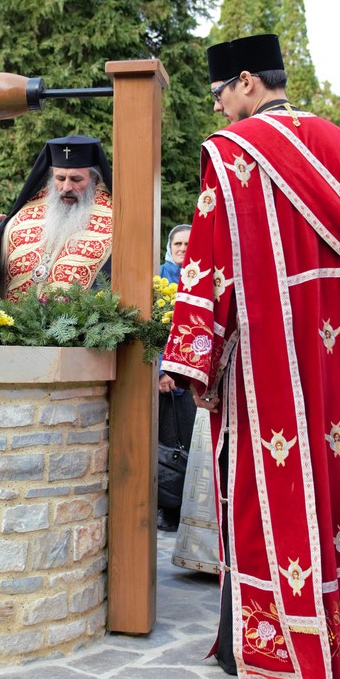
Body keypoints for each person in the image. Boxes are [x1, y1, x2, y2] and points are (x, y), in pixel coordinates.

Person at [161, 34, 340, 679]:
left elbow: (207, 266)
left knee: (269, 491)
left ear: (246, 81)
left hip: (270, 352)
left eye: (220, 93)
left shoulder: (231, 153)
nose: (219, 107)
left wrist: (194, 359)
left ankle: (277, 648)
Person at [0, 135, 113, 301]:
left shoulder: (114, 221)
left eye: (76, 179)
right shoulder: (22, 216)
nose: (67, 187)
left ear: (94, 179)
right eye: (60, 178)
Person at [155, 224, 194, 533]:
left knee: (192, 442)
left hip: (194, 378)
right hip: (168, 380)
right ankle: (168, 508)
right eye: (177, 243)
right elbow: (153, 328)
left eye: (187, 243)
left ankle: (190, 508)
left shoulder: (202, 277)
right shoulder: (158, 277)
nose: (182, 248)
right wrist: (162, 369)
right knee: (169, 445)